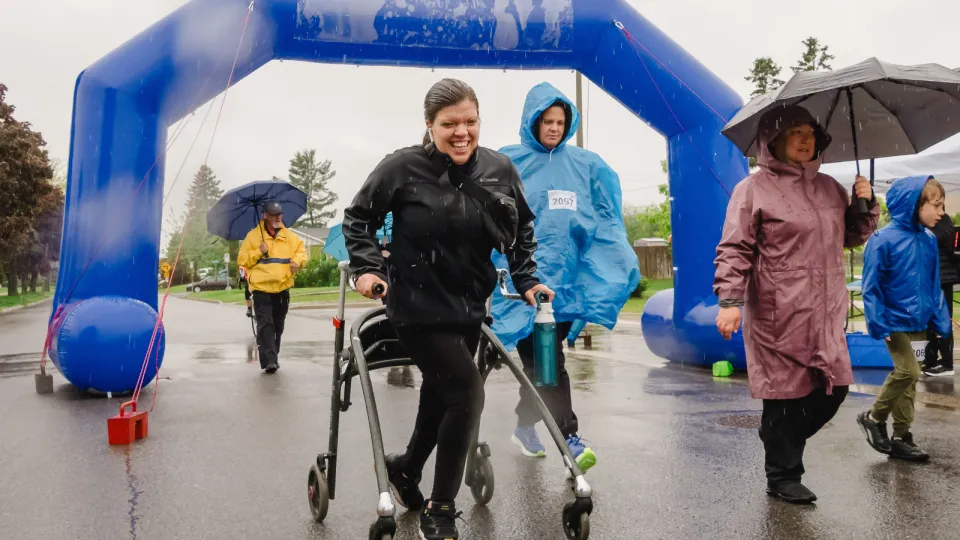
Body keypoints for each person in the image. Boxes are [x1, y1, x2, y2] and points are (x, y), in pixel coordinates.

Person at [341, 78, 553, 540]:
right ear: (429, 126)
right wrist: (368, 268)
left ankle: (406, 468)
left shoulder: (499, 168)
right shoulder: (401, 167)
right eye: (449, 123)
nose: (461, 132)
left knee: (440, 396)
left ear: (480, 121)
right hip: (416, 305)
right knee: (467, 394)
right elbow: (358, 218)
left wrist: (528, 279)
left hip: (470, 306)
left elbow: (521, 231)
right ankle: (439, 510)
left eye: (470, 121)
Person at [713, 104, 879, 504]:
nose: (805, 140)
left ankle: (777, 437)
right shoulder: (752, 190)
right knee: (785, 395)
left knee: (835, 387)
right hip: (777, 310)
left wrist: (866, 204)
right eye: (795, 132)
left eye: (810, 132)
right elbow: (735, 248)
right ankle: (784, 474)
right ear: (775, 140)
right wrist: (730, 300)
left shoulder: (829, 187)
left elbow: (851, 236)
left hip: (826, 309)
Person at [490, 82, 640, 472]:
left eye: (561, 121)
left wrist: (616, 260)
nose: (555, 128)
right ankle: (569, 437)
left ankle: (526, 426)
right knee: (547, 363)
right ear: (533, 122)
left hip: (563, 288)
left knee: (544, 366)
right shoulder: (507, 162)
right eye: (547, 120)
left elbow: (604, 220)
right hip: (518, 287)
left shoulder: (587, 166)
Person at [856, 176, 950, 462]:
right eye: (936, 205)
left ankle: (901, 437)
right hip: (892, 322)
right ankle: (873, 417)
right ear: (913, 204)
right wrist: (877, 321)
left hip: (920, 323)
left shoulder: (929, 240)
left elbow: (934, 285)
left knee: (911, 381)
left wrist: (939, 321)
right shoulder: (882, 240)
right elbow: (870, 286)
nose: (941, 212)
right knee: (907, 371)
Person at [237, 201, 307, 374]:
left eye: (279, 214)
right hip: (261, 290)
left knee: (278, 325)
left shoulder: (289, 236)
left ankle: (273, 354)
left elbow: (302, 252)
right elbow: (242, 261)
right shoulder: (253, 237)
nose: (278, 217)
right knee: (265, 324)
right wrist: (258, 251)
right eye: (274, 214)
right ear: (265, 215)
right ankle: (269, 361)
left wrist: (297, 262)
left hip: (282, 289)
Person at [922, 211, 958, 377]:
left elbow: (938, 237)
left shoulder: (943, 220)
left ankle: (946, 363)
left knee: (943, 320)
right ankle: (930, 360)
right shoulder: (920, 219)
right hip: (927, 278)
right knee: (929, 321)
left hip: (943, 278)